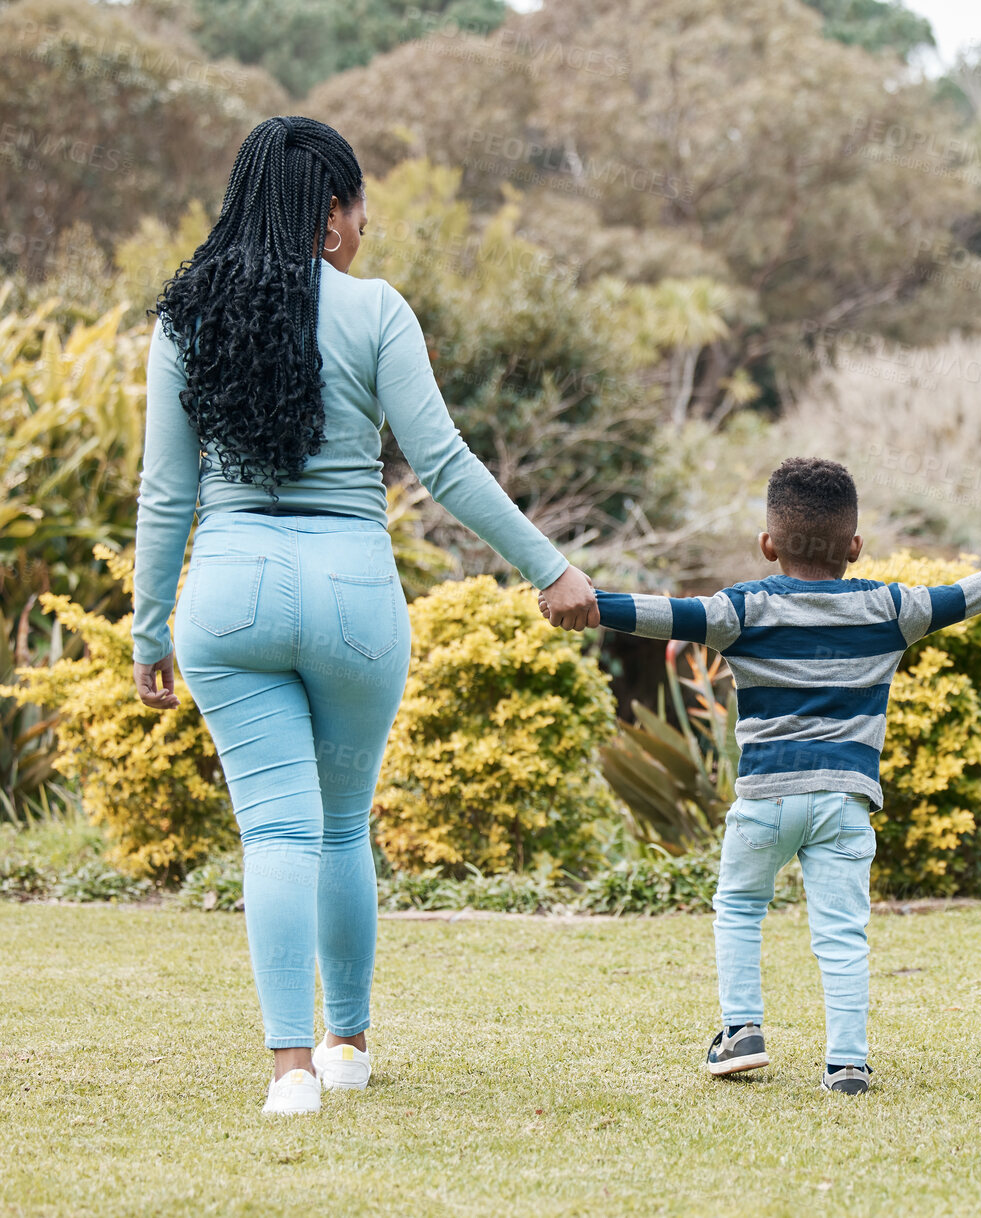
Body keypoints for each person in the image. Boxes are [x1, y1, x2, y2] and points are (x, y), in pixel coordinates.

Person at [131, 116, 600, 1115]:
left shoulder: (183, 321)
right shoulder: (377, 310)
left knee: (277, 836)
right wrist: (548, 568)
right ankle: (347, 1045)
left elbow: (166, 496)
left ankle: (288, 1070)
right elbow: (444, 467)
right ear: (330, 217)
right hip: (352, 593)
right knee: (341, 828)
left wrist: (143, 629)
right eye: (357, 205)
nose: (364, 225)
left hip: (229, 592)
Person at [550, 458, 981, 1093]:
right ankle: (847, 1062)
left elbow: (660, 613)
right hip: (845, 803)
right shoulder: (891, 609)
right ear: (855, 547)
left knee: (740, 906)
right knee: (842, 930)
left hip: (765, 800)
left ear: (767, 545)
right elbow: (977, 590)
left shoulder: (741, 610)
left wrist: (584, 600)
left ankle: (741, 1032)